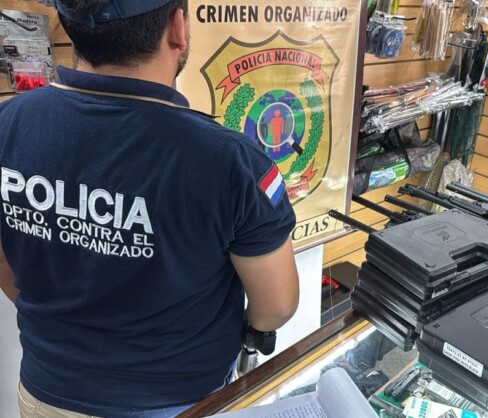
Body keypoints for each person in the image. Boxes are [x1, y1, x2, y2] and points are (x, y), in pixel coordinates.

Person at [0, 1, 301, 416]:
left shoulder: (8, 124)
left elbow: (6, 266)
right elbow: (277, 306)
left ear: (70, 27)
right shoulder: (229, 159)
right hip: (177, 402)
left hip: (45, 394)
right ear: (178, 27)